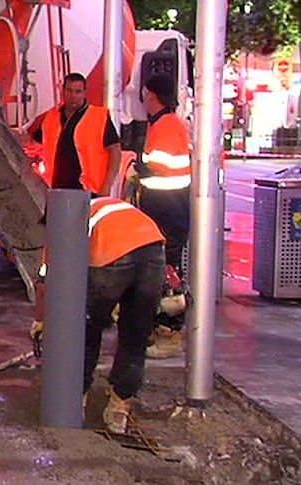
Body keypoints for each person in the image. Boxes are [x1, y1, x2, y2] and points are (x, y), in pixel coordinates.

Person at [31, 197, 166, 433]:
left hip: (114, 259)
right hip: (153, 252)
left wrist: (40, 321)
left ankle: (74, 399)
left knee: (84, 329)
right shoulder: (111, 205)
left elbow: (46, 281)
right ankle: (119, 407)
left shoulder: (65, 219)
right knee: (136, 335)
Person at [137, 73, 192, 359]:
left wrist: (142, 168)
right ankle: (162, 330)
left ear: (151, 94)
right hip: (167, 209)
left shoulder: (166, 125)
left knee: (168, 276)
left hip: (167, 210)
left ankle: (170, 334)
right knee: (163, 274)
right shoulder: (167, 123)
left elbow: (162, 166)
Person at [23, 72, 122, 196]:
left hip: (89, 191)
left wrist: (107, 185)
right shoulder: (51, 117)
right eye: (69, 91)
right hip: (55, 190)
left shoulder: (98, 117)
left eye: (78, 92)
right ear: (63, 91)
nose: (73, 96)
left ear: (85, 93)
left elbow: (115, 151)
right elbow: (33, 144)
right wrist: (17, 138)